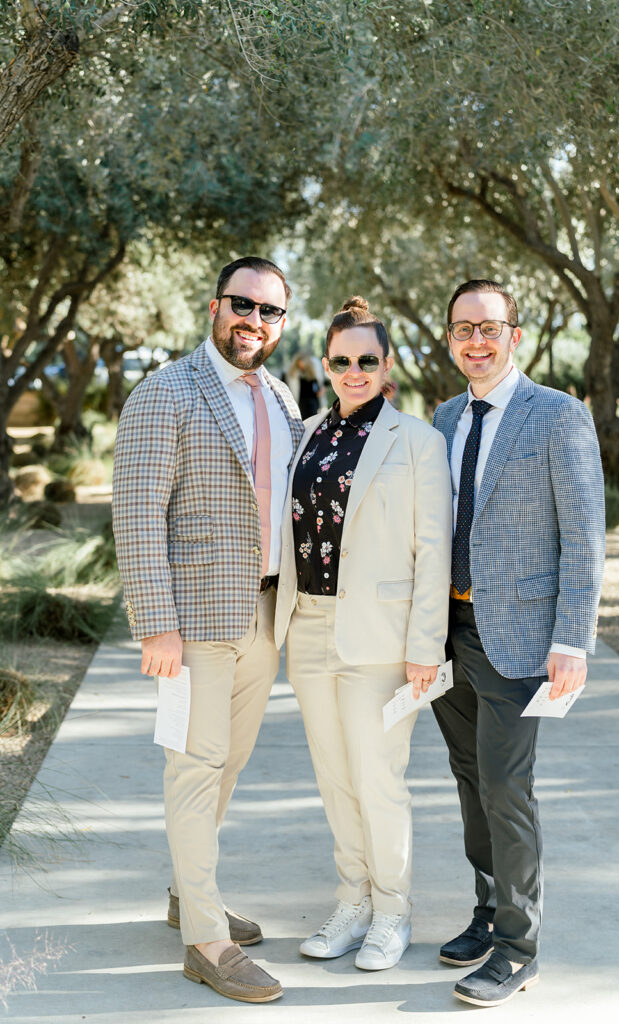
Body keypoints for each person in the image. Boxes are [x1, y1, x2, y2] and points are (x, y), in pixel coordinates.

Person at [112, 256, 303, 1004]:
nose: (254, 321)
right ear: (215, 305)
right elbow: (135, 515)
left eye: (270, 311)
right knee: (195, 768)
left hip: (262, 615)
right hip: (191, 624)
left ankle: (185, 894)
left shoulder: (281, 399)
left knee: (228, 763)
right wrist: (155, 626)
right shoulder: (166, 392)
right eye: (242, 305)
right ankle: (205, 941)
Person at [431, 279, 605, 1007]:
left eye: (490, 327)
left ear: (515, 336)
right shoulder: (441, 418)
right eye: (463, 328)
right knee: (470, 782)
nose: (477, 340)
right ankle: (485, 910)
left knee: (506, 786)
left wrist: (572, 639)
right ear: (448, 338)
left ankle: (517, 945)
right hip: (448, 632)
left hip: (522, 638)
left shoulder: (557, 416)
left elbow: (583, 536)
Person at [274, 296, 452, 971]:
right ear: (325, 364)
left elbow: (431, 549)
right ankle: (351, 902)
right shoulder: (308, 431)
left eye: (366, 360)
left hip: (381, 638)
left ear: (386, 366)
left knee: (378, 778)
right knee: (334, 778)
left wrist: (423, 647)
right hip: (310, 628)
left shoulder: (418, 441)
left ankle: (392, 911)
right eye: (341, 360)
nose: (353, 370)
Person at [286, 350, 324, 417]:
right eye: (300, 363)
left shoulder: (312, 374)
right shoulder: (294, 375)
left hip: (313, 403)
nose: (302, 366)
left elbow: (318, 386)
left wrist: (320, 391)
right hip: (301, 404)